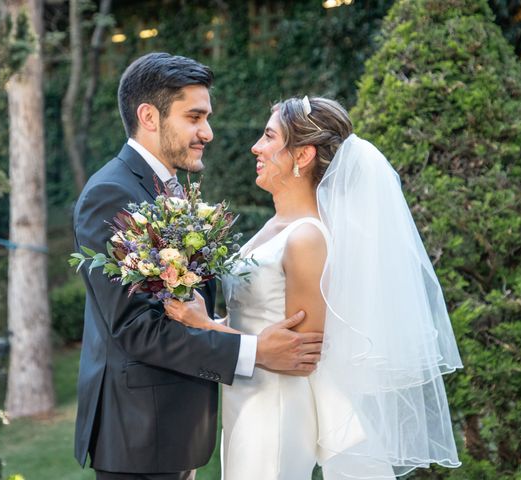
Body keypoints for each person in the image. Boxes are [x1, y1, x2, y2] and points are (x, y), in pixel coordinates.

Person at [164, 96, 463, 479]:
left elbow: (299, 356)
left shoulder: (306, 237)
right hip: (248, 396)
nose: (256, 146)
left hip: (277, 407)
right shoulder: (275, 227)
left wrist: (206, 326)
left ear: (302, 155)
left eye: (269, 136)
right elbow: (262, 317)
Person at [73, 53, 324, 480]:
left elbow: (188, 310)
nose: (206, 132)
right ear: (149, 116)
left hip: (175, 429)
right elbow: (136, 328)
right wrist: (255, 350)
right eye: (194, 117)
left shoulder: (169, 190)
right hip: (138, 433)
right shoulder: (111, 196)